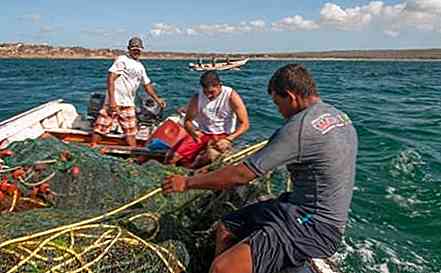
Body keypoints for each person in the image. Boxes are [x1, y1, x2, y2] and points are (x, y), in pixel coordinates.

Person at [162, 64, 358, 273]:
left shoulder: (299, 128)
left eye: (277, 103)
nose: (278, 110)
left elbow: (241, 175)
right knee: (227, 228)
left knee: (222, 268)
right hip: (294, 207)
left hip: (314, 225)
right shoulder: (338, 115)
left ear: (291, 97)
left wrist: (186, 183)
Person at [91, 37, 166, 147]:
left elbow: (147, 85)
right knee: (100, 128)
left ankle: (133, 154)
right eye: (134, 48)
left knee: (131, 132)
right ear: (129, 49)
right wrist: (112, 101)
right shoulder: (122, 60)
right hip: (114, 102)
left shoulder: (140, 66)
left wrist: (157, 99)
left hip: (128, 103)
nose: (136, 51)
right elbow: (110, 78)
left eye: (138, 49)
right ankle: (93, 147)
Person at [166, 71, 249, 168]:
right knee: (172, 157)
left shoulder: (231, 95)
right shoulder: (197, 97)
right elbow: (188, 121)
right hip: (203, 133)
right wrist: (193, 133)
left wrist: (228, 139)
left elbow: (245, 124)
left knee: (209, 157)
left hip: (223, 135)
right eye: (206, 92)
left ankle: (192, 171)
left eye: (212, 92)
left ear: (219, 86)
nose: (209, 96)